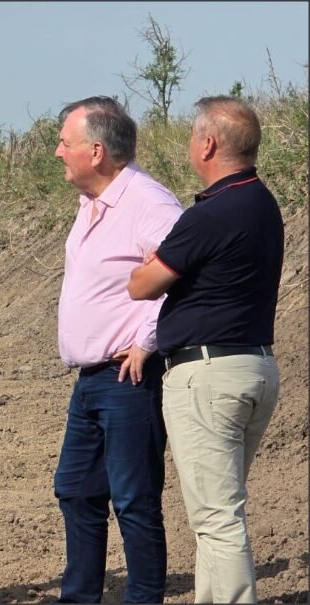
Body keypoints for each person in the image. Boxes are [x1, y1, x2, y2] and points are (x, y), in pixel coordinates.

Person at [127, 96, 284, 604]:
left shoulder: (212, 212)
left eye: (194, 136)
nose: (192, 145)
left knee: (217, 518)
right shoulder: (263, 203)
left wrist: (148, 264)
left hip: (206, 374)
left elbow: (142, 286)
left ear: (209, 144)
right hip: (254, 365)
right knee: (218, 512)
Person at [51, 96, 183, 603]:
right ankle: (80, 596)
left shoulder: (150, 203)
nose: (59, 152)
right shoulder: (91, 205)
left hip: (128, 377)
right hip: (90, 379)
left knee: (134, 499)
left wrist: (146, 341)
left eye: (66, 142)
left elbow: (180, 274)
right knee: (77, 489)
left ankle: (143, 598)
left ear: (97, 150)